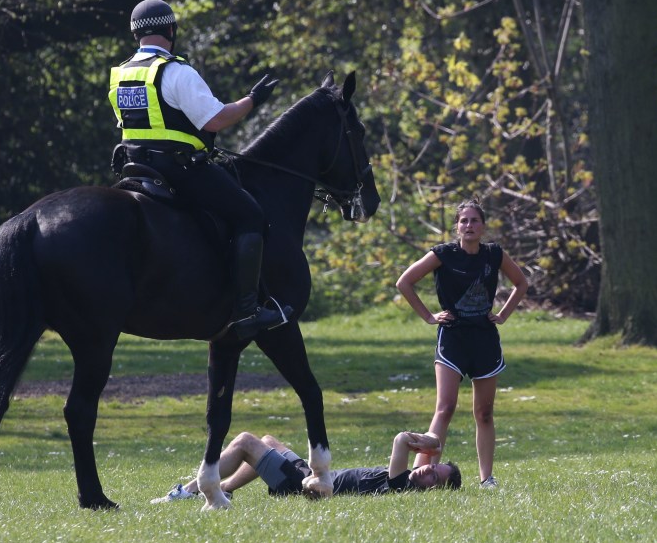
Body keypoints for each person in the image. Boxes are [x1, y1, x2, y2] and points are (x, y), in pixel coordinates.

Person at [108, 0, 286, 339]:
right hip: (178, 170)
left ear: (135, 35)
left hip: (133, 168)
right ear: (171, 30)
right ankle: (247, 310)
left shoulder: (121, 73)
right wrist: (252, 100)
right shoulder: (175, 72)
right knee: (250, 215)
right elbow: (216, 119)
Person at [395, 198, 528, 489]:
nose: (468, 225)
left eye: (474, 220)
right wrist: (429, 317)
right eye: (463, 221)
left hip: (484, 340)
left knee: (484, 412)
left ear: (483, 226)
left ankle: (486, 479)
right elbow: (404, 282)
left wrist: (503, 315)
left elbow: (522, 283)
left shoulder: (494, 254)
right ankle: (418, 475)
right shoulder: (443, 254)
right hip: (452, 339)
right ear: (457, 226)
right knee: (445, 407)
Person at [153, 429, 462, 502]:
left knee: (247, 442)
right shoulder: (405, 478)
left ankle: (190, 492)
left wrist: (430, 440)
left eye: (434, 478)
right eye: (433, 467)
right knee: (269, 440)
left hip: (304, 484)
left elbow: (399, 440)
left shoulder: (401, 485)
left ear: (433, 491)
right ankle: (224, 489)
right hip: (311, 473)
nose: (427, 470)